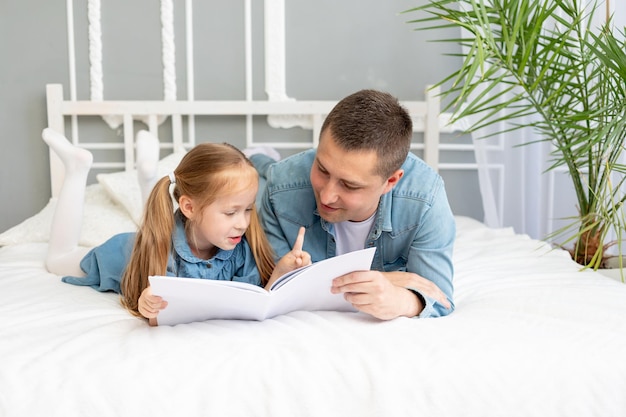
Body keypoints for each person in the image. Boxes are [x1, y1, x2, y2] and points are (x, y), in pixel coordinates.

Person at [42, 128, 310, 325]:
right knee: (57, 259)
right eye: (230, 212)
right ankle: (76, 169)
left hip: (164, 234)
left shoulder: (239, 249)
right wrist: (147, 305)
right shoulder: (148, 250)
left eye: (248, 210)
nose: (242, 223)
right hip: (126, 250)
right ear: (189, 207)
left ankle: (147, 174)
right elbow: (157, 315)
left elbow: (255, 302)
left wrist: (280, 272)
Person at [247, 89, 455, 320]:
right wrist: (387, 278)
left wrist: (404, 301)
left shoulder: (426, 199)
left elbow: (440, 298)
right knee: (256, 179)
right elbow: (277, 286)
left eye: (349, 185)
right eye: (322, 170)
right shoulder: (280, 187)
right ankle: (257, 159)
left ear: (391, 181)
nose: (326, 197)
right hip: (283, 180)